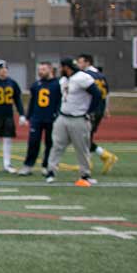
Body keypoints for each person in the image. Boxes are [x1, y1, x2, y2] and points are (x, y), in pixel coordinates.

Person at [45, 57, 103, 186]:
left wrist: (89, 111)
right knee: (56, 145)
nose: (60, 70)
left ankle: (85, 174)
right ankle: (51, 172)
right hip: (63, 117)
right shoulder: (64, 80)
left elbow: (97, 94)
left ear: (66, 67)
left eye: (61, 67)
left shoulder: (82, 77)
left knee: (82, 148)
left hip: (79, 118)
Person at [16, 61, 60, 176]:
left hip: (51, 118)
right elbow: (32, 102)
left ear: (51, 70)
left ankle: (47, 166)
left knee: (50, 143)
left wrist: (57, 114)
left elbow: (60, 102)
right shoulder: (36, 85)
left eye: (43, 69)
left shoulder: (58, 84)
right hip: (37, 118)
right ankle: (28, 166)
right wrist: (27, 116)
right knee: (33, 142)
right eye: (39, 70)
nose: (41, 72)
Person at [77, 53, 118, 174]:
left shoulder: (86, 75)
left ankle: (105, 156)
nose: (78, 65)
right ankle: (90, 161)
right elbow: (107, 94)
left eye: (80, 62)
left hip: (91, 109)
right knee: (86, 137)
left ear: (87, 62)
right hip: (99, 108)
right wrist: (106, 108)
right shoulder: (101, 75)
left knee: (84, 137)